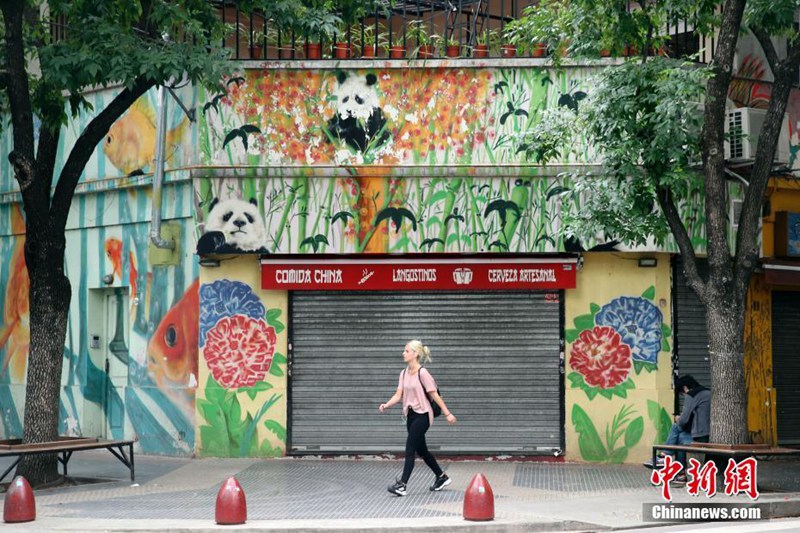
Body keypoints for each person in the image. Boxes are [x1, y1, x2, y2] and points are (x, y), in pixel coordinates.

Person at [379, 340, 457, 496]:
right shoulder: (403, 373)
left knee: (410, 448)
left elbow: (434, 394)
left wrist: (447, 413)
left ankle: (402, 485)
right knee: (423, 451)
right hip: (411, 415)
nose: (403, 353)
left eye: (406, 351)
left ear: (415, 354)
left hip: (423, 415)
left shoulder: (423, 373)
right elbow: (398, 394)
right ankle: (442, 477)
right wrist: (386, 405)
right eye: (404, 350)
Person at [644, 374, 710, 481]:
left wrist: (678, 419)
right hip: (709, 435)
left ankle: (665, 456)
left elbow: (683, 421)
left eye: (681, 393)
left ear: (685, 388)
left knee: (676, 427)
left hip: (700, 436)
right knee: (681, 439)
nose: (683, 395)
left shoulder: (691, 395)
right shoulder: (708, 392)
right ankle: (679, 474)